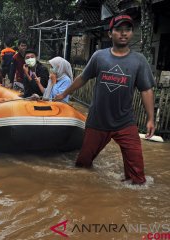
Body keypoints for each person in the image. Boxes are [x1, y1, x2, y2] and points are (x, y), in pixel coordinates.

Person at [54, 15, 155, 185]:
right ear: (110, 33)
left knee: (138, 178)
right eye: (119, 30)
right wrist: (63, 94)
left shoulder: (139, 61)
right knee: (82, 165)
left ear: (131, 33)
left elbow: (146, 90)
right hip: (97, 121)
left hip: (125, 122)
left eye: (128, 30)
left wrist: (151, 119)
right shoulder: (99, 56)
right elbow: (83, 78)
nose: (124, 34)